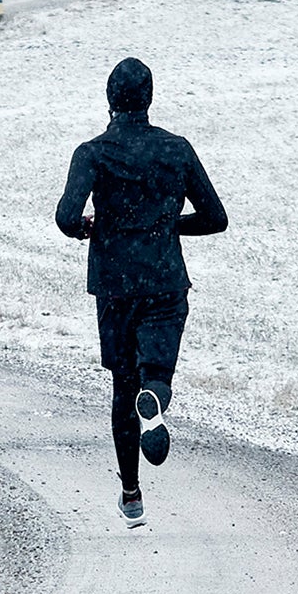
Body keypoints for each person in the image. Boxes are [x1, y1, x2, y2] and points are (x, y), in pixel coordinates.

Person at [55, 56, 228, 527]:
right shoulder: (176, 149)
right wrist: (168, 226)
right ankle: (156, 395)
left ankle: (131, 494)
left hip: (114, 285)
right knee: (155, 373)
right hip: (165, 279)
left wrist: (91, 228)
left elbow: (67, 217)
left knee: (121, 385)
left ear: (110, 100)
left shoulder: (91, 153)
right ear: (149, 99)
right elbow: (216, 218)